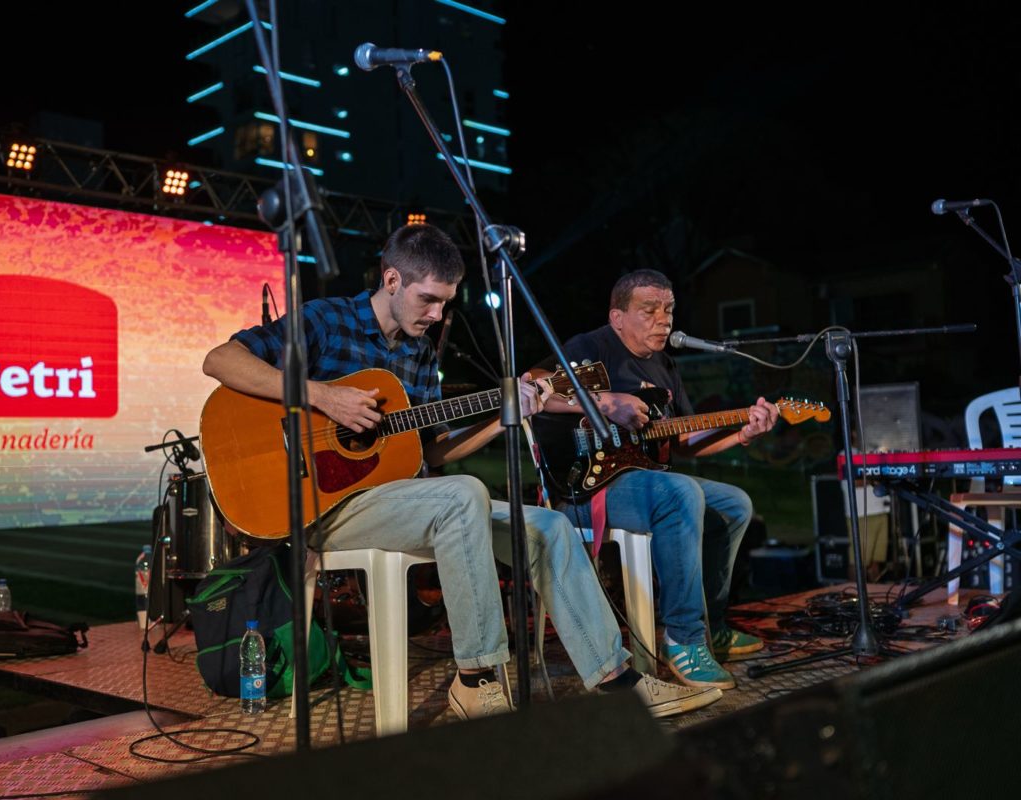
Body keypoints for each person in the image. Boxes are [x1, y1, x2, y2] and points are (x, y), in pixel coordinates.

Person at [203, 225, 720, 719]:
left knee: (550, 527)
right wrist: (323, 395)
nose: (437, 313)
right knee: (462, 496)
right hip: (324, 506)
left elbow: (435, 453)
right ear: (391, 280)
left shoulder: (420, 351)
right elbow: (221, 360)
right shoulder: (324, 320)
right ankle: (477, 679)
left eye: (446, 302)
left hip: (405, 500)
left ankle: (615, 680)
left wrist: (502, 419)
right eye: (428, 299)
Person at [543, 269, 779, 690]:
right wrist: (607, 401)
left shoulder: (665, 364)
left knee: (735, 503)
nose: (663, 320)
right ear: (618, 317)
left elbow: (685, 440)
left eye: (668, 310)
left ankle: (712, 627)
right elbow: (534, 389)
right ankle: (684, 639)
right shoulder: (591, 347)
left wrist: (742, 431)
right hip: (590, 486)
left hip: (648, 482)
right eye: (649, 311)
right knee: (681, 490)